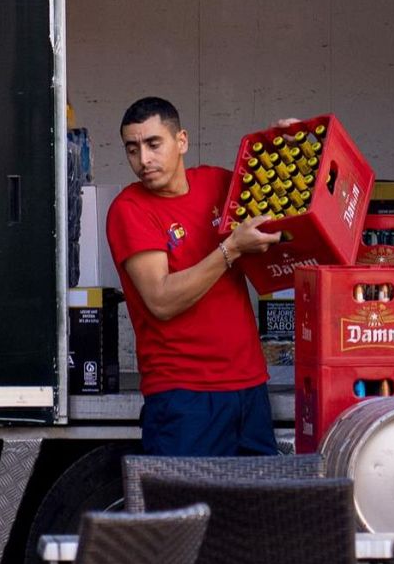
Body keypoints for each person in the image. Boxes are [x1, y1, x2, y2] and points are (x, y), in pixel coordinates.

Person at [106, 96, 283, 456]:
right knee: (184, 513)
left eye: (154, 144)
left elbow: (277, 208)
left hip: (250, 387)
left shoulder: (218, 184)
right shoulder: (130, 210)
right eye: (133, 149)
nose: (144, 160)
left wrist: (284, 152)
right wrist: (230, 249)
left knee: (256, 511)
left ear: (181, 141)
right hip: (183, 396)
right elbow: (161, 300)